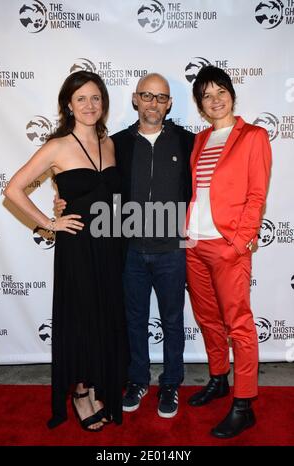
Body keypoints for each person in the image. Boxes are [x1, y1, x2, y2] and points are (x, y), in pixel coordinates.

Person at [56, 72, 195, 418]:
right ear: (135, 99)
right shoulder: (117, 142)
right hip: (128, 249)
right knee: (133, 319)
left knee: (173, 321)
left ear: (170, 104)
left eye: (161, 97)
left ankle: (171, 383)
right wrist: (62, 202)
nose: (153, 103)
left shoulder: (187, 142)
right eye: (147, 96)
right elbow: (90, 180)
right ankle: (137, 379)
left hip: (170, 250)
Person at [4, 71, 128, 431]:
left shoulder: (109, 142)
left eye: (96, 98)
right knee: (82, 320)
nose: (90, 105)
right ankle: (80, 392)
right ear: (68, 106)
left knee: (105, 318)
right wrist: (49, 221)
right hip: (78, 249)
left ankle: (97, 385)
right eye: (81, 99)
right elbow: (13, 189)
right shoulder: (58, 146)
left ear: (103, 103)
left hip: (110, 245)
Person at [185, 65, 272, 438]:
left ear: (232, 94)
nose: (215, 99)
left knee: (239, 324)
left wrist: (239, 244)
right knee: (207, 319)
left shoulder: (254, 136)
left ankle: (244, 403)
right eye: (207, 95)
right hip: (193, 244)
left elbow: (256, 196)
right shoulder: (200, 139)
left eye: (221, 91)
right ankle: (219, 378)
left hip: (227, 246)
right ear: (201, 105)